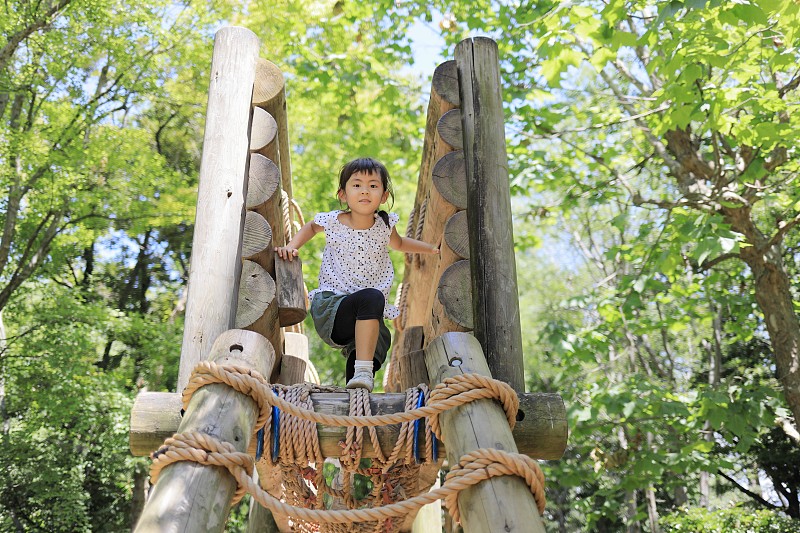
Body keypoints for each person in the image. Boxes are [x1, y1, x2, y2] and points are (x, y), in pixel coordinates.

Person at [275, 157, 439, 392]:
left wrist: (432, 248)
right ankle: (362, 372)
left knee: (379, 340)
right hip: (334, 310)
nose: (365, 191)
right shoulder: (334, 221)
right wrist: (292, 246)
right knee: (372, 297)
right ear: (343, 194)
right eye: (357, 185)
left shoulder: (384, 226)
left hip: (366, 314)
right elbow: (311, 227)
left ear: (383, 196)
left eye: (373, 186)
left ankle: (357, 386)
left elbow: (400, 243)